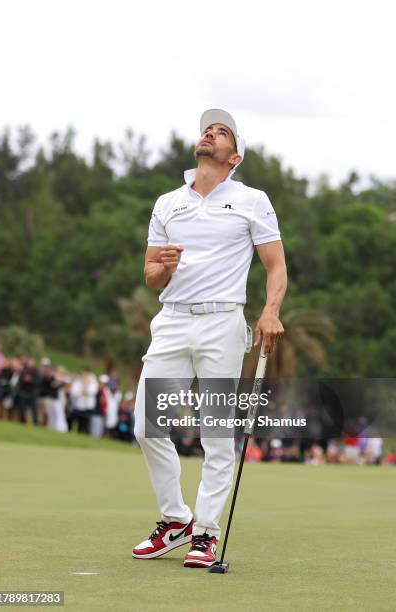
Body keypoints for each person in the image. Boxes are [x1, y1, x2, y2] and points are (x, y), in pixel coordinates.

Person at [132, 109, 287, 568]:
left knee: (216, 433)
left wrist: (271, 310)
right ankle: (175, 519)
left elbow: (275, 265)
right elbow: (150, 276)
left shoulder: (252, 199)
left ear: (234, 156)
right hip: (173, 322)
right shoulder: (167, 203)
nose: (210, 133)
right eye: (207, 128)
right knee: (146, 425)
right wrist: (163, 267)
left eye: (221, 132)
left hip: (222, 324)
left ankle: (206, 533)